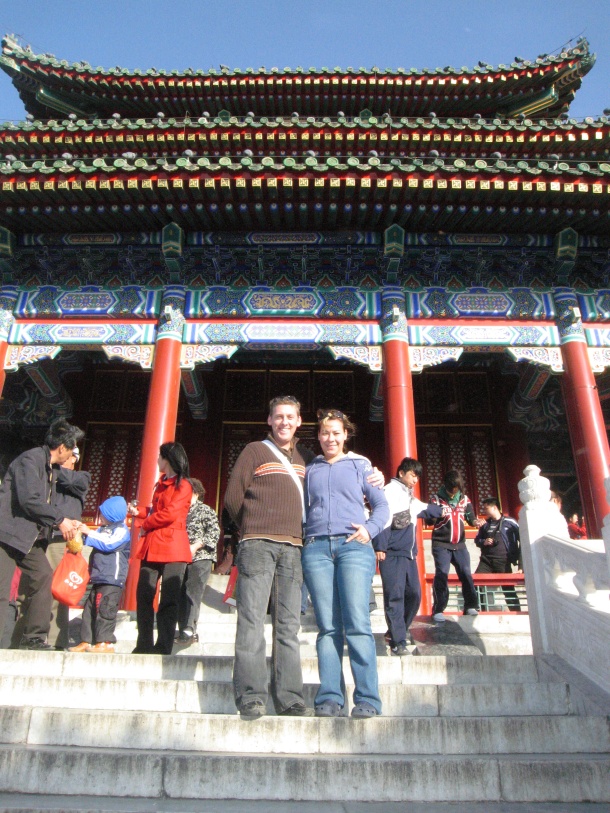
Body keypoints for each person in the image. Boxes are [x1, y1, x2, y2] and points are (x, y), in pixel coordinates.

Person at [224, 395, 313, 719]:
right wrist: (250, 528)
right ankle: (251, 696)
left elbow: (328, 484)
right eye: (278, 417)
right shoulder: (255, 451)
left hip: (294, 548)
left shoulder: (307, 456)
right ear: (269, 420)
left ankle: (289, 698)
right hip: (258, 545)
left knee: (288, 625)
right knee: (251, 621)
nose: (284, 422)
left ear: (299, 421)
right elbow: (232, 498)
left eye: (290, 416)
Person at [302, 409, 389, 719]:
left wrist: (370, 529)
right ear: (319, 436)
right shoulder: (309, 469)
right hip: (316, 549)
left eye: (336, 432)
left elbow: (381, 506)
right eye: (325, 433)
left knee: (357, 624)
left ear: (345, 434)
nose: (330, 438)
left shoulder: (360, 465)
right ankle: (329, 696)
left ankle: (367, 699)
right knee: (327, 627)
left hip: (353, 547)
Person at [0, 418, 84, 650]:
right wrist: (60, 520)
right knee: (2, 588)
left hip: (29, 537)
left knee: (44, 577)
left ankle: (34, 637)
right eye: (73, 449)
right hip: (7, 534)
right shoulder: (30, 460)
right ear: (62, 448)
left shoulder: (51, 469)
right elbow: (29, 500)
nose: (73, 455)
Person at [373, 457, 444, 655]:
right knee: (394, 596)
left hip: (408, 554)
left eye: (417, 477)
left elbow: (425, 509)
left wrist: (443, 508)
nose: (415, 480)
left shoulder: (409, 496)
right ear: (401, 472)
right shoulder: (390, 491)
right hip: (392, 551)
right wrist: (380, 546)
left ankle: (397, 631)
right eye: (413, 475)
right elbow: (383, 519)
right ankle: (398, 641)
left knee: (414, 594)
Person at [128, 442, 193, 655]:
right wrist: (138, 512)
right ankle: (144, 643)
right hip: (154, 542)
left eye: (160, 456)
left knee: (169, 598)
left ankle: (163, 645)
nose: (157, 460)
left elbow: (171, 514)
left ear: (168, 459)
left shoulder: (184, 485)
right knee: (144, 594)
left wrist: (145, 523)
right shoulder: (161, 482)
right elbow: (157, 510)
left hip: (173, 544)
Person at [69, 496, 131, 653]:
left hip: (112, 578)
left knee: (105, 609)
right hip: (98, 576)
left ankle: (105, 641)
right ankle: (86, 640)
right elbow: (93, 539)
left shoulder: (122, 530)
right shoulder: (102, 529)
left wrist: (88, 532)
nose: (100, 516)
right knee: (89, 609)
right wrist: (80, 529)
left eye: (103, 514)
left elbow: (108, 544)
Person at [45, 446, 91, 649]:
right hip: (41, 535)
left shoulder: (81, 478)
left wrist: (49, 465)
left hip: (61, 538)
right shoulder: (48, 476)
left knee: (58, 589)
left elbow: (69, 480)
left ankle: (56, 640)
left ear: (73, 458)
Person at [430, 470, 481, 622]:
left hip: (460, 544)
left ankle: (470, 605)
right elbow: (429, 521)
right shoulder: (436, 499)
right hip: (441, 544)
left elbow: (471, 518)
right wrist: (436, 515)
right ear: (445, 486)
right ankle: (438, 609)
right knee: (442, 573)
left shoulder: (464, 500)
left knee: (465, 572)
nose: (453, 494)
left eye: (456, 490)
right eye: (451, 490)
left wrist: (476, 522)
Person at [175, 478, 221, 645]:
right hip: (180, 557)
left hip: (201, 558)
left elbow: (214, 533)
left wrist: (197, 545)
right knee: (179, 592)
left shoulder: (205, 511)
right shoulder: (180, 510)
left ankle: (189, 629)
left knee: (192, 591)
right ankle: (182, 628)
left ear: (195, 492)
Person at [474, 497, 521, 612]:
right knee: (476, 582)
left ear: (494, 507)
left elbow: (522, 539)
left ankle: (517, 611)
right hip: (486, 560)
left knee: (508, 588)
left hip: (503, 560)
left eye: (486, 508)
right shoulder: (485, 524)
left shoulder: (510, 522)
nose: (484, 511)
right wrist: (483, 542)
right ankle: (481, 609)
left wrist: (520, 563)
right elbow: (477, 540)